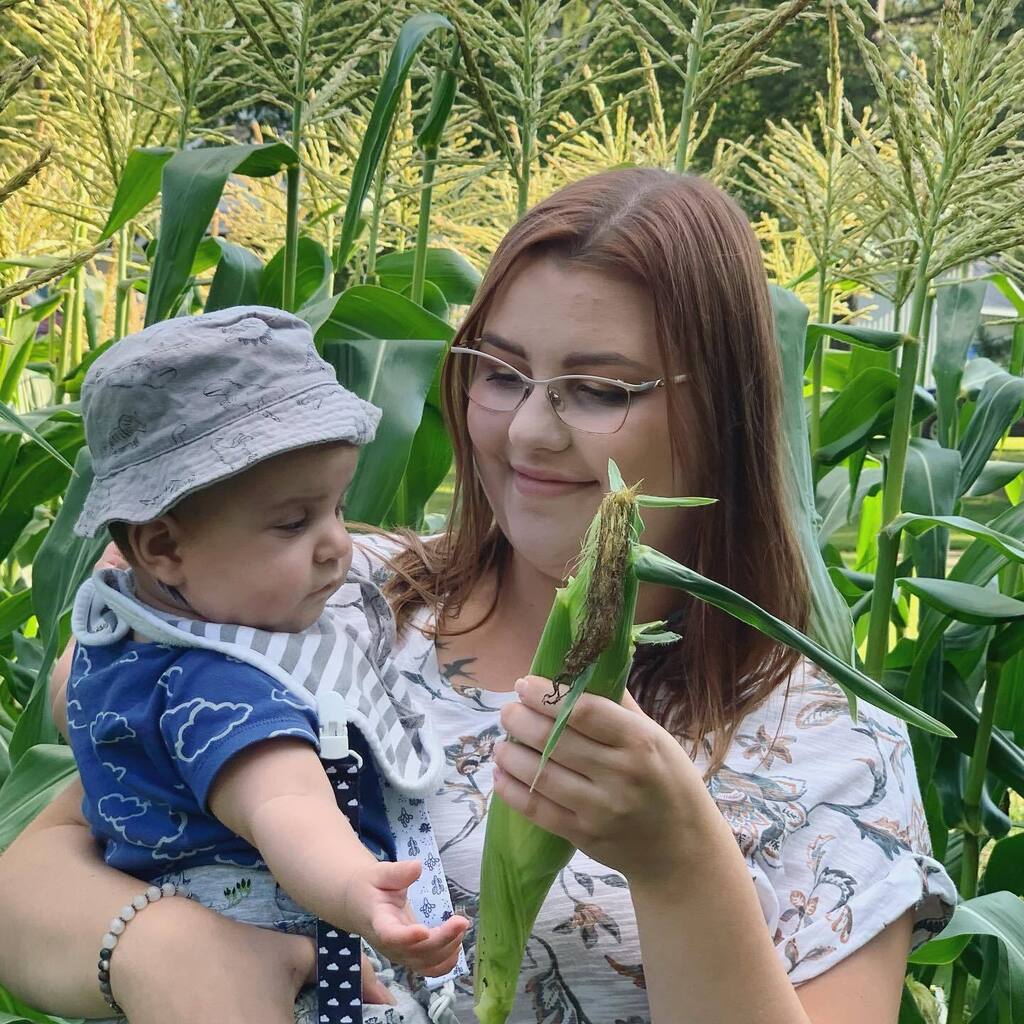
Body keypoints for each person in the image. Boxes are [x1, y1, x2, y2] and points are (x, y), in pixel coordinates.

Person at [0, 169, 956, 1024]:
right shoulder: (324, 595)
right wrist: (164, 950)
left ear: (722, 407)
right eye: (501, 374)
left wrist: (679, 866)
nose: (530, 432)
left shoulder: (831, 744)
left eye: (597, 389)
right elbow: (41, 877)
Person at [49, 305, 467, 1023]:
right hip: (291, 976)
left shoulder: (126, 632)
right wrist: (359, 892)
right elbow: (285, 803)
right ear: (164, 549)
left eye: (337, 506)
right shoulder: (221, 682)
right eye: (293, 522)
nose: (339, 544)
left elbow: (73, 712)